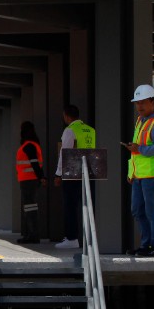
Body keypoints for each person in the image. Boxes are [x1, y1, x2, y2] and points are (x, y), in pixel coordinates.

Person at [123, 84, 154, 257]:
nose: (139, 106)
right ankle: (146, 245)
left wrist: (138, 148)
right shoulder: (141, 121)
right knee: (138, 210)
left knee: (152, 211)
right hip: (140, 176)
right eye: (137, 103)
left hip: (153, 175)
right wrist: (132, 173)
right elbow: (137, 152)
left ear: (153, 102)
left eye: (143, 102)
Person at [53, 105, 96, 250]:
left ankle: (71, 238)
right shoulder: (90, 130)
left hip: (72, 174)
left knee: (70, 206)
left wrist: (58, 174)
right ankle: (89, 237)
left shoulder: (70, 130)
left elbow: (64, 153)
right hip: (89, 173)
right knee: (87, 205)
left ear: (66, 116)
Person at [15, 121, 47, 244]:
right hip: (30, 180)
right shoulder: (33, 145)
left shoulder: (28, 146)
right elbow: (36, 164)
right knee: (30, 208)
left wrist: (41, 177)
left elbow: (34, 163)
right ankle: (31, 234)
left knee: (30, 209)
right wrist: (41, 177)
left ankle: (32, 235)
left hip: (28, 181)